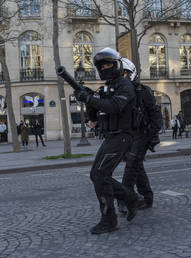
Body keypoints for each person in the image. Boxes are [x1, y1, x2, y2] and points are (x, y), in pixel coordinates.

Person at [73, 48, 139, 234]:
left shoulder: (125, 86)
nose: (105, 68)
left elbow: (114, 106)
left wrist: (91, 98)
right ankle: (130, 198)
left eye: (108, 64)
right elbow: (94, 117)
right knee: (97, 175)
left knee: (100, 175)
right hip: (111, 136)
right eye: (101, 66)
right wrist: (87, 97)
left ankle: (109, 220)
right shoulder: (106, 89)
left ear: (117, 65)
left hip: (123, 136)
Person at [118, 58, 162, 213]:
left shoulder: (143, 91)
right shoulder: (118, 94)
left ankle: (125, 199)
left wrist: (150, 135)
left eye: (125, 73)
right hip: (127, 136)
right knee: (137, 167)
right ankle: (147, 197)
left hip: (142, 134)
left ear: (131, 74)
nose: (122, 76)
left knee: (131, 165)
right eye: (120, 73)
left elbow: (156, 116)